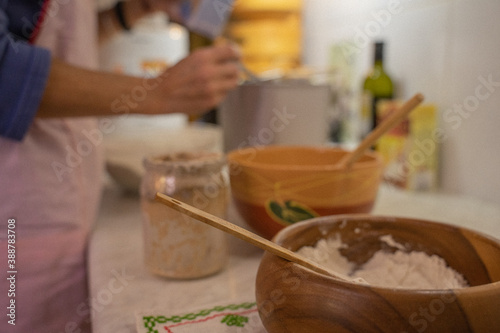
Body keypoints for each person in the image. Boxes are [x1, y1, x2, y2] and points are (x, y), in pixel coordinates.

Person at [0, 0, 240, 331]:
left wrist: (128, 13)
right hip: (17, 228)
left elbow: (47, 42)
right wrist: (155, 92)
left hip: (67, 211)